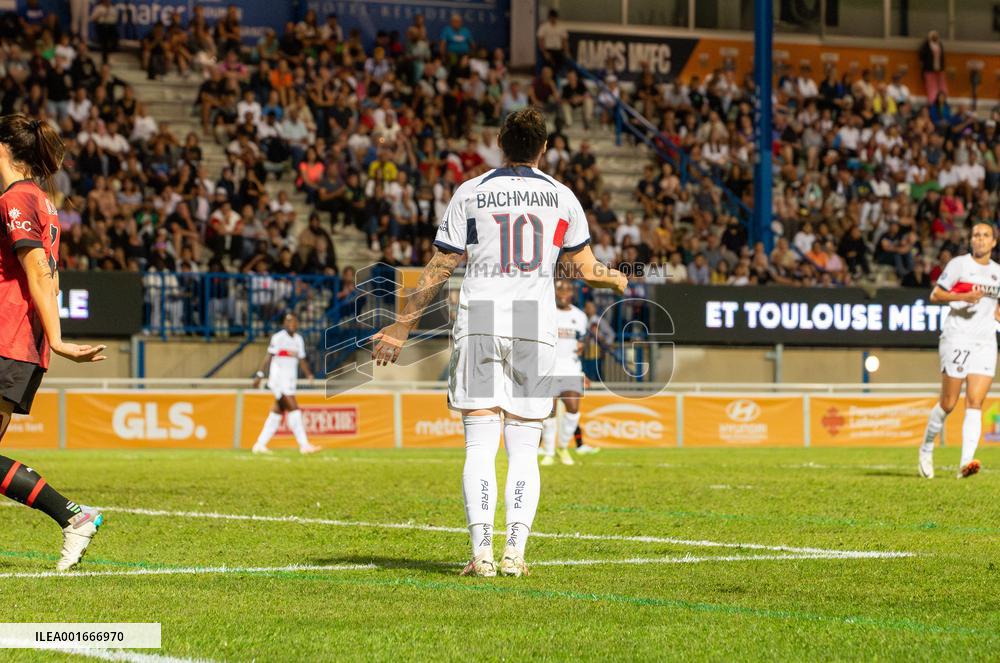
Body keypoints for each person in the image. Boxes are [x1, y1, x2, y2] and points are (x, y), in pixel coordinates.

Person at [371, 108, 626, 578]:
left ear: (499, 142)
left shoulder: (472, 191)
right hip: (534, 323)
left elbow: (441, 266)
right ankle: (516, 555)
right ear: (544, 148)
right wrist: (615, 279)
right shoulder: (561, 196)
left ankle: (482, 553)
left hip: (482, 318)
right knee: (526, 447)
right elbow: (588, 269)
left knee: (480, 445)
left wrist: (403, 326)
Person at [0, 114, 108, 571]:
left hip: (9, 338)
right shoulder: (40, 200)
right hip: (18, 340)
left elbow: (40, 272)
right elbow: (51, 274)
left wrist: (59, 339)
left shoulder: (17, 198)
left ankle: (73, 516)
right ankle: (73, 516)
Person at [920, 224, 1000, 480]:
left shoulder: (998, 273)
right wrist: (963, 297)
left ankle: (966, 463)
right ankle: (927, 446)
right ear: (971, 240)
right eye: (976, 235)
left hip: (986, 342)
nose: (980, 239)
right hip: (957, 338)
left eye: (985, 235)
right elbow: (936, 294)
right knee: (949, 403)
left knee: (975, 402)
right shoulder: (959, 265)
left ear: (994, 242)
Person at [252, 313, 321, 455]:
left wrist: (308, 374)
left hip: (290, 381)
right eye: (288, 321)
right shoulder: (278, 338)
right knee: (294, 410)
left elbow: (301, 359)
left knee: (276, 414)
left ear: (297, 323)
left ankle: (259, 445)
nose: (291, 324)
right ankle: (304, 445)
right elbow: (268, 356)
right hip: (278, 381)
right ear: (284, 323)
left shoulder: (299, 340)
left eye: (294, 321)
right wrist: (259, 374)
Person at [540, 280, 590, 466]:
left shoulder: (580, 316)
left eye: (567, 289)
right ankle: (549, 452)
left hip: (571, 367)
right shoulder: (546, 311)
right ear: (554, 290)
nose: (563, 292)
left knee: (573, 409)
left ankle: (563, 448)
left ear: (572, 293)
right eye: (560, 288)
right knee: (549, 411)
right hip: (549, 367)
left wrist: (581, 349)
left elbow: (581, 343)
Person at [919, 30, 947, 104]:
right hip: (929, 69)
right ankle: (932, 102)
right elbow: (922, 56)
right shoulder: (926, 45)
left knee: (942, 86)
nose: (935, 37)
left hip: (939, 69)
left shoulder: (939, 44)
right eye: (933, 36)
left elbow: (942, 56)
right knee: (932, 87)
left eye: (936, 36)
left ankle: (943, 100)